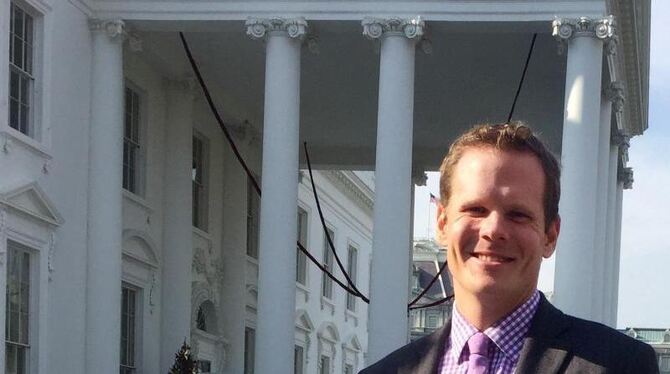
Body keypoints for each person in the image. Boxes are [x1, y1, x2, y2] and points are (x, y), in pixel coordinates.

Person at [361, 123, 658, 373]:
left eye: (518, 214)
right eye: (475, 209)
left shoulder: (622, 364)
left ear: (550, 235)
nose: (493, 231)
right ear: (442, 223)